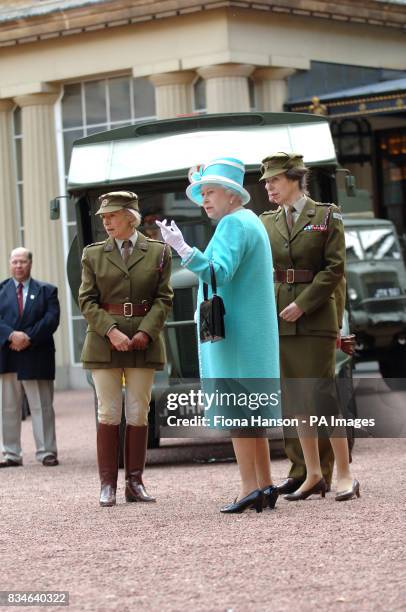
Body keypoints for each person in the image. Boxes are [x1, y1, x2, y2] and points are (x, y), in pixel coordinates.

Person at [157, 158, 280, 514]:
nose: (204, 199)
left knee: (240, 415)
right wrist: (201, 179)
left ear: (230, 195)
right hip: (250, 333)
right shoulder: (249, 220)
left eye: (209, 192)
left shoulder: (232, 225)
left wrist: (183, 250)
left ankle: (248, 489)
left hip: (235, 335)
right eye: (202, 193)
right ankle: (264, 485)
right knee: (252, 416)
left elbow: (218, 272)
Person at [259, 152, 360, 502]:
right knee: (296, 399)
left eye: (274, 180)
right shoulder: (266, 221)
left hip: (315, 317)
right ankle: (314, 474)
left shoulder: (326, 215)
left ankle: (345, 474)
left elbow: (334, 269)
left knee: (323, 395)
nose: (269, 186)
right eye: (267, 181)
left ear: (294, 179)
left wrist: (303, 304)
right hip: (279, 318)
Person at [79, 191, 173, 507]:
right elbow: (86, 301)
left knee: (137, 410)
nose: (106, 221)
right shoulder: (92, 254)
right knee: (108, 411)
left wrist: (147, 331)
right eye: (103, 217)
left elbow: (164, 298)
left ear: (130, 217)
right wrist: (110, 330)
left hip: (143, 341)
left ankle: (135, 482)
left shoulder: (158, 252)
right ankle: (108, 485)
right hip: (104, 341)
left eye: (112, 215)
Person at [0, 247, 60, 467]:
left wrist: (27, 337)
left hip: (37, 354)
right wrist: (10, 336)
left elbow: (51, 320)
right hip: (8, 356)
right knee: (7, 407)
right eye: (14, 261)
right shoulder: (0, 290)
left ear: (30, 263)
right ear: (9, 263)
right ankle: (11, 454)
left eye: (22, 261)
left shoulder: (47, 291)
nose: (18, 266)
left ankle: (46, 452)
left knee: (42, 407)